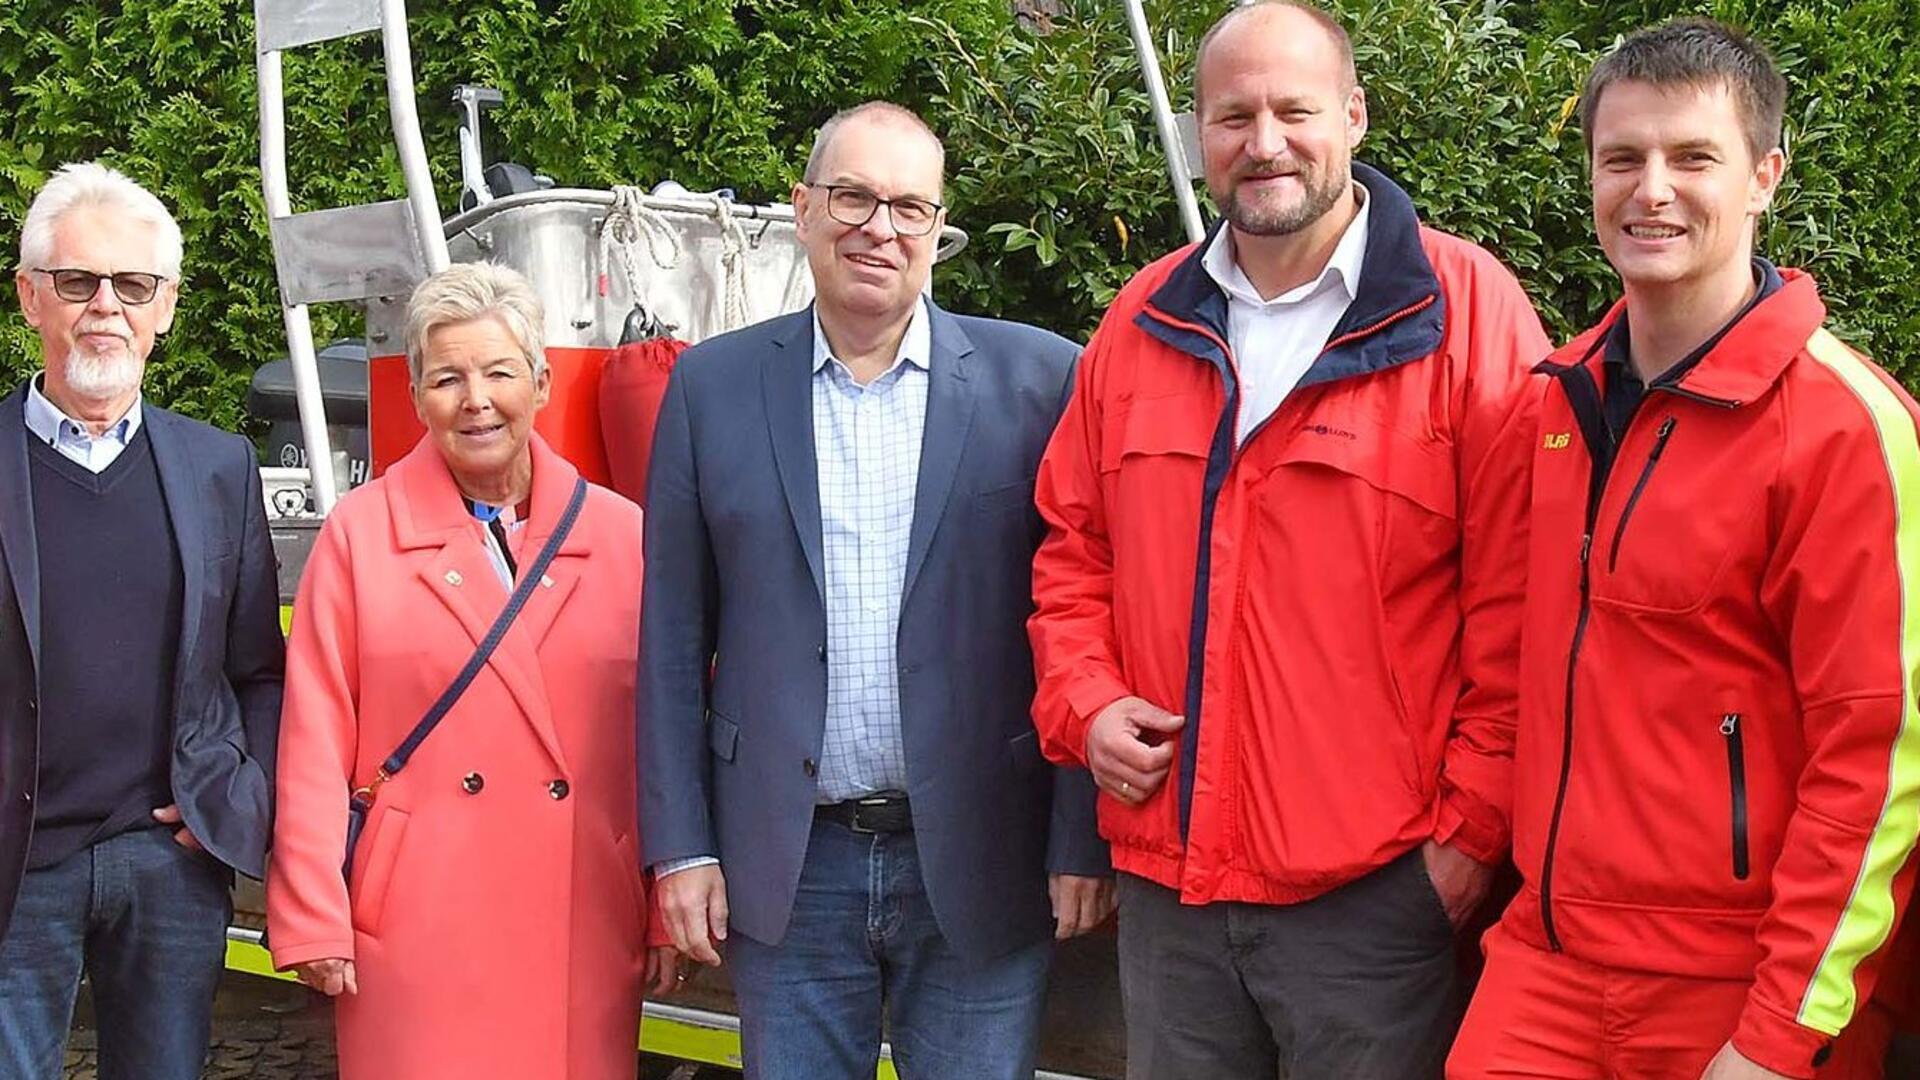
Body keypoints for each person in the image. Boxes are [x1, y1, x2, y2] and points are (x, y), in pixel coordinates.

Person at [1026, 3, 1550, 1075]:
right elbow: (1072, 553)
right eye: (1232, 116)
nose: (1263, 142)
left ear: (1353, 116)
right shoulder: (1139, 325)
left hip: (1372, 905)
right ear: (1198, 135)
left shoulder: (1466, 316)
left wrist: (1465, 844)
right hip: (1171, 901)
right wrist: (1084, 705)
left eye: (1294, 110)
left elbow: (1524, 603)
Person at [1449, 19, 1919, 1079]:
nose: (1650, 189)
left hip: (1744, 976)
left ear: (1764, 177)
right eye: (1623, 158)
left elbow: (1879, 761)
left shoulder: (1847, 427)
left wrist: (1782, 1031)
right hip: (1548, 957)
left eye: (1691, 158)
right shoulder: (1551, 404)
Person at [640, 100, 1112, 1080]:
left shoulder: (1043, 381)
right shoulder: (710, 391)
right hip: (788, 862)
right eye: (854, 197)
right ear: (804, 209)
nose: (880, 228)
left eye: (909, 206)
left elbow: (1080, 620)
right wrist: (681, 849)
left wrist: (1081, 837)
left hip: (984, 856)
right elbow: (673, 643)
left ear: (940, 230)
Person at [266, 262, 675, 1079]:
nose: (476, 399)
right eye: (447, 378)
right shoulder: (360, 535)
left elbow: (664, 739)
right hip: (416, 917)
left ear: (542, 382)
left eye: (498, 372)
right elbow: (314, 732)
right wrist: (313, 910)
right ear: (417, 399)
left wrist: (663, 900)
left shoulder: (623, 535)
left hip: (583, 910)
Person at [0, 162, 284, 1079]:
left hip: (168, 861)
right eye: (79, 281)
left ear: (165, 307)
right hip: (17, 868)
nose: (105, 308)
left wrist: (236, 803)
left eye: (134, 285)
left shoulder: (217, 468)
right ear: (30, 296)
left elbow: (258, 670)